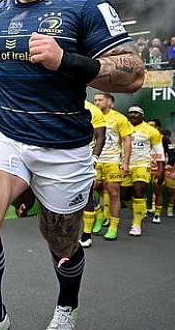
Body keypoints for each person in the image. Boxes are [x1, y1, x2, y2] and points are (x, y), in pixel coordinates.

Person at [0, 0, 143, 329]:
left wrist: (66, 61)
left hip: (62, 144)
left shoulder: (86, 6)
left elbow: (133, 72)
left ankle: (67, 305)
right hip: (2, 132)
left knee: (60, 240)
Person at [93, 92, 133, 241]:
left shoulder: (119, 118)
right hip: (95, 160)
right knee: (93, 190)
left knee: (114, 193)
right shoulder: (91, 115)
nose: (96, 102)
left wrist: (125, 162)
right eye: (95, 100)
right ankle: (99, 217)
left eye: (100, 100)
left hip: (112, 161)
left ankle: (113, 227)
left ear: (110, 102)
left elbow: (126, 140)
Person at [124, 106, 164, 235]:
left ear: (142, 115)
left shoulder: (151, 130)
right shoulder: (123, 127)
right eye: (130, 113)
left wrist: (161, 169)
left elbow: (159, 151)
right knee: (124, 195)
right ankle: (140, 211)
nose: (133, 115)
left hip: (142, 164)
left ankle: (136, 224)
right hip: (124, 165)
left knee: (139, 190)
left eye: (136, 113)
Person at [79, 100, 106, 248]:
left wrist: (94, 159)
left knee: (86, 195)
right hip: (61, 158)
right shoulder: (57, 102)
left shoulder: (93, 110)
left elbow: (100, 137)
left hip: (84, 160)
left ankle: (86, 234)